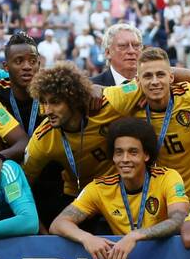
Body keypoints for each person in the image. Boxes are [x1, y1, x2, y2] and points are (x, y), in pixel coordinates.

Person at [50, 118, 190, 259]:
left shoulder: (167, 177)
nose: (125, 159)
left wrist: (136, 235)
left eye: (133, 152)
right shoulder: (99, 188)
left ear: (146, 155)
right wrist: (87, 238)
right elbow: (58, 223)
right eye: (119, 153)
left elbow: (179, 219)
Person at [105, 47, 190, 202]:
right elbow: (96, 92)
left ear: (171, 77)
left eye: (160, 75)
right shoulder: (130, 107)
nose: (154, 82)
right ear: (137, 81)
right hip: (167, 199)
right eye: (147, 76)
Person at [23, 62, 128, 229]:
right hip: (79, 198)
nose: (47, 110)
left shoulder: (107, 103)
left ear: (73, 98)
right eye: (44, 102)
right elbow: (23, 189)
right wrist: (41, 235)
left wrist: (99, 88)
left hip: (121, 191)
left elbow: (151, 82)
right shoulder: (42, 138)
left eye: (55, 102)